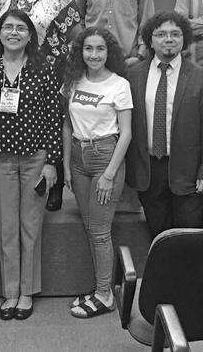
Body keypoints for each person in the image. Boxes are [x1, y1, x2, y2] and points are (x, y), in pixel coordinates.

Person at [0, 10, 63, 321]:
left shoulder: (43, 67)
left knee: (30, 227)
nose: (14, 33)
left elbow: (55, 116)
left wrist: (52, 162)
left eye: (21, 28)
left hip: (35, 158)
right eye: (8, 27)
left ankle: (27, 292)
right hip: (0, 157)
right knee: (7, 227)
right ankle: (10, 291)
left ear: (30, 35)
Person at [0, 0, 82, 210]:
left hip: (50, 71)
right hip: (13, 69)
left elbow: (76, 34)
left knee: (52, 123)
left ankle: (54, 185)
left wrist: (72, 71)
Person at [125, 11, 203, 237]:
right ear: (150, 41)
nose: (168, 39)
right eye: (161, 34)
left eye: (175, 34)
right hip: (149, 170)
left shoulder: (201, 78)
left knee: (189, 239)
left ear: (184, 39)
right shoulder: (134, 76)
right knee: (158, 237)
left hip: (189, 171)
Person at [62, 27, 132, 318]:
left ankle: (105, 295)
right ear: (80, 52)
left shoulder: (119, 84)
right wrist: (66, 165)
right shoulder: (73, 81)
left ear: (108, 52)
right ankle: (100, 288)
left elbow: (126, 133)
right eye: (88, 48)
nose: (94, 54)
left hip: (105, 156)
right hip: (78, 157)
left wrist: (109, 174)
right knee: (91, 228)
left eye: (100, 48)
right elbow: (67, 124)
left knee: (101, 232)